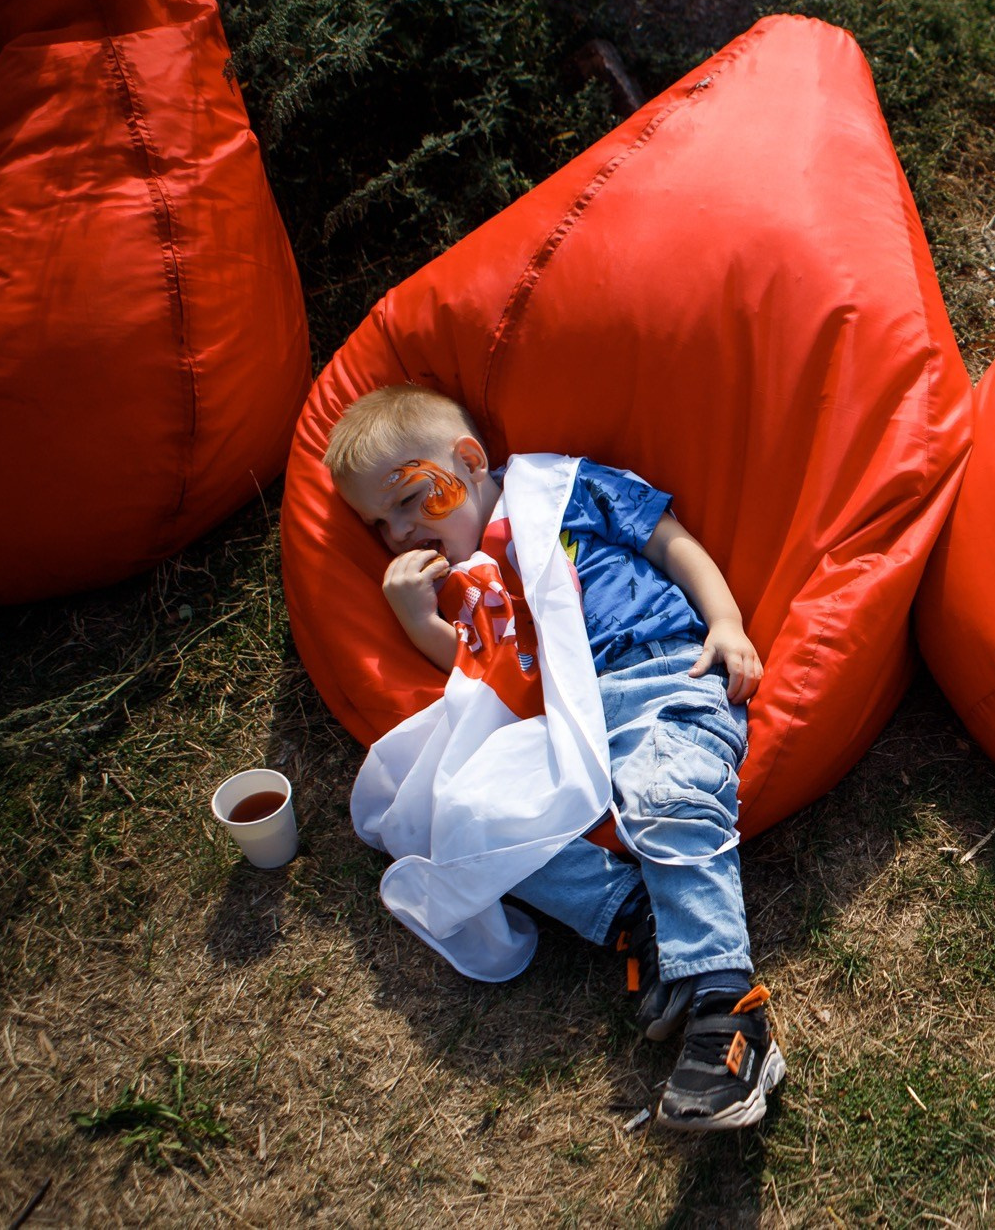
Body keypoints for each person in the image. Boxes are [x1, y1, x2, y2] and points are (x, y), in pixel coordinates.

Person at [326, 384, 781, 1132]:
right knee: (472, 819)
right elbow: (480, 674)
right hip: (560, 726)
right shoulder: (468, 582)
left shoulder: (559, 488)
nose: (401, 530)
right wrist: (417, 620)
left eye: (411, 498)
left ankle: (726, 1011)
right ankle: (641, 918)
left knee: (669, 792)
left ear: (469, 462)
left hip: (658, 673)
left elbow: (666, 538)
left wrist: (726, 620)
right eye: (380, 523)